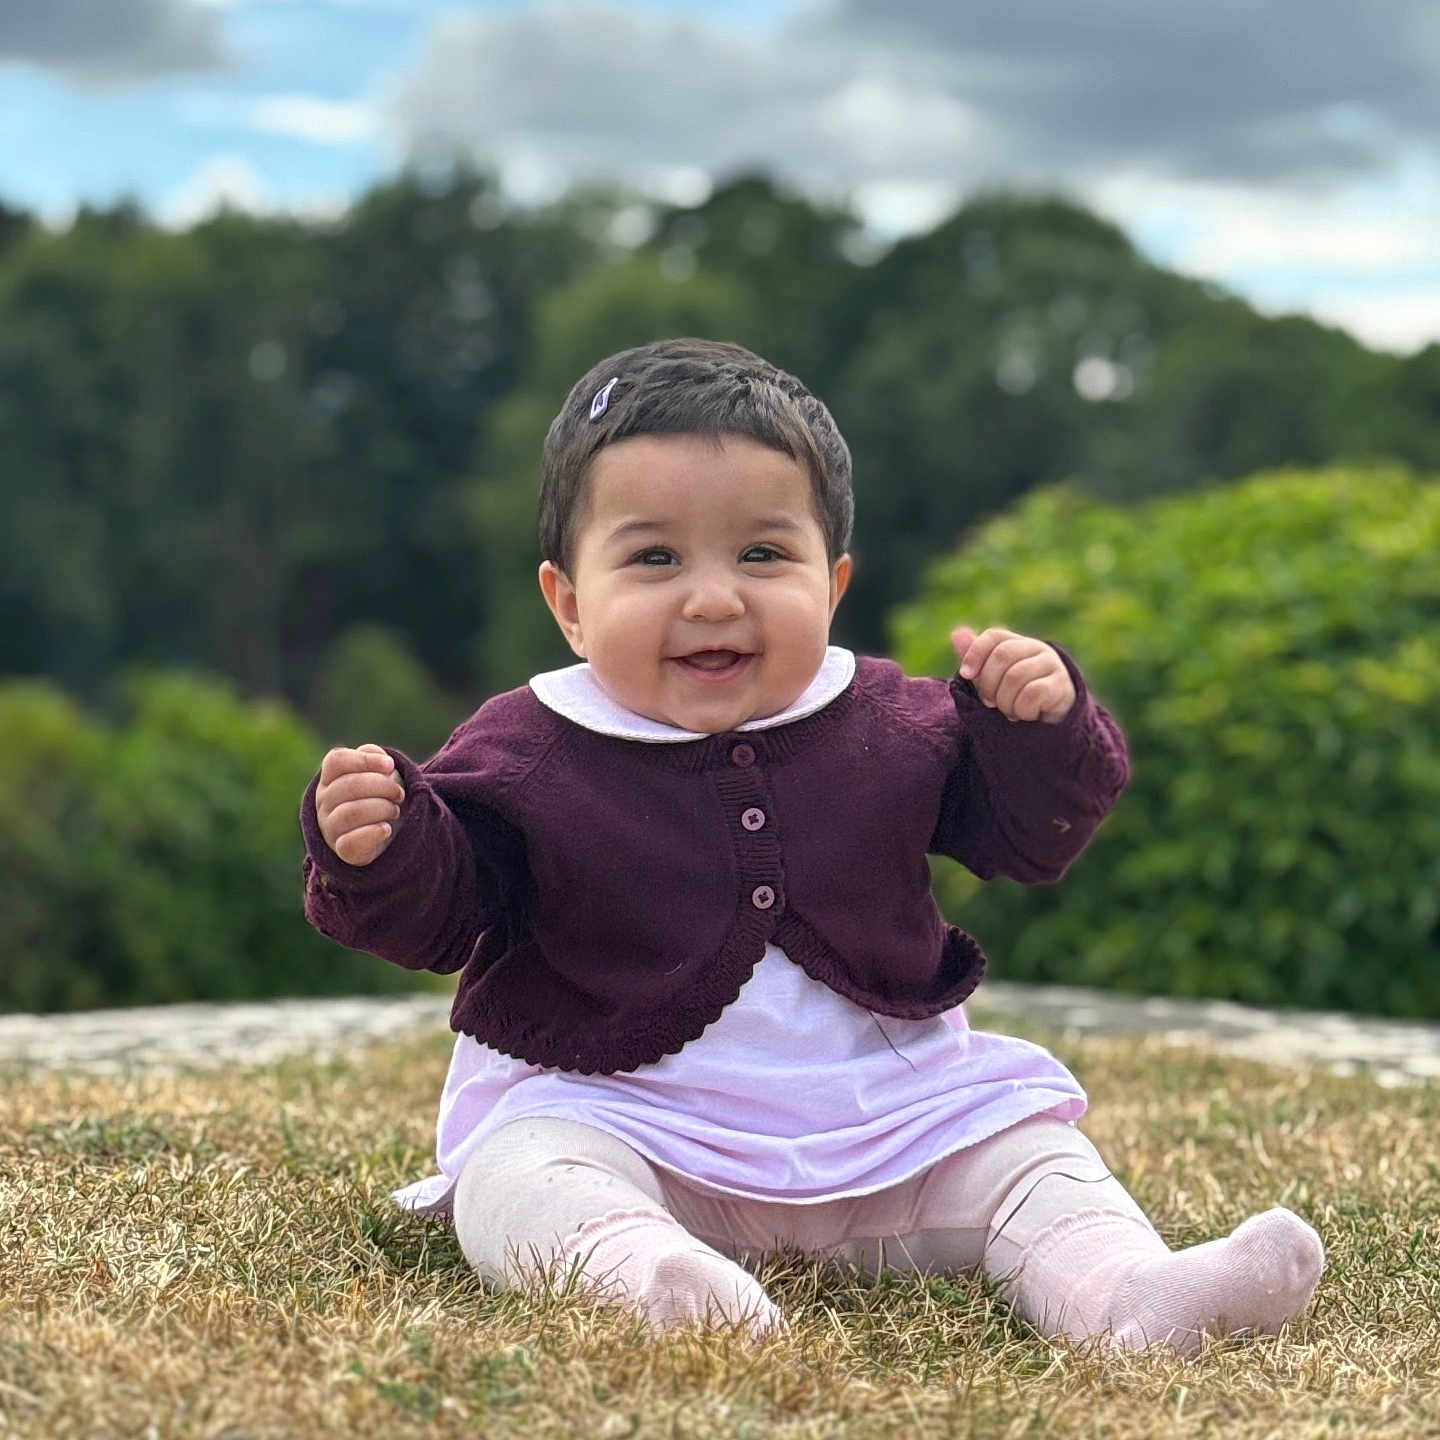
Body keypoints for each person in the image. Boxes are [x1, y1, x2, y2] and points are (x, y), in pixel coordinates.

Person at [299, 338, 1323, 1353]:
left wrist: (1036, 728)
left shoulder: (892, 719)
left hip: (894, 1126)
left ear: (832, 584)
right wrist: (383, 849)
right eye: (654, 557)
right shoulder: (529, 745)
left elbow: (1031, 838)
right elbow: (442, 913)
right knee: (517, 1173)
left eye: (761, 554)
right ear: (570, 603)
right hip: (629, 1125)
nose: (712, 596)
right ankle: (654, 1281)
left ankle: (1128, 1295)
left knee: (1031, 1156)